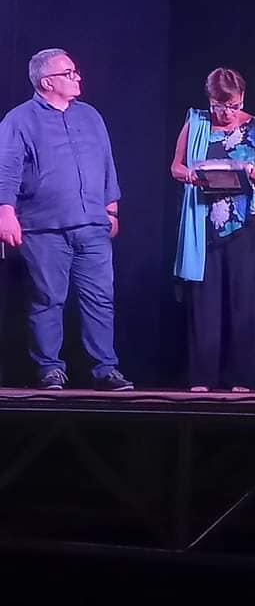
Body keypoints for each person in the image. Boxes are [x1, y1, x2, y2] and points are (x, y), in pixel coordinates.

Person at [0, 48, 133, 391]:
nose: (77, 77)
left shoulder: (90, 116)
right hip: (43, 227)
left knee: (100, 299)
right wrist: (5, 212)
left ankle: (105, 368)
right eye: (69, 73)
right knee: (47, 299)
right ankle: (49, 369)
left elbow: (106, 162)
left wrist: (111, 208)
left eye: (75, 71)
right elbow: (6, 169)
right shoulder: (19, 120)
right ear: (47, 82)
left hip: (92, 225)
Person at [171, 67, 255, 392]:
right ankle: (203, 375)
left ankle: (242, 376)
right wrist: (192, 175)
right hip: (204, 222)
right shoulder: (196, 123)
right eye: (221, 106)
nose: (228, 113)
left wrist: (251, 171)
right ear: (210, 100)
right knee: (205, 302)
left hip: (245, 223)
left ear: (242, 98)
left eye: (234, 105)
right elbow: (176, 166)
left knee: (243, 299)